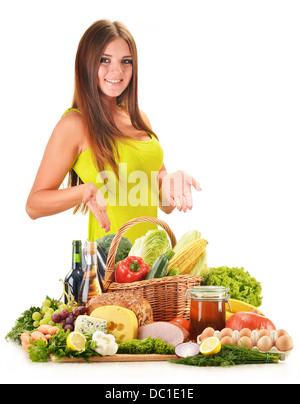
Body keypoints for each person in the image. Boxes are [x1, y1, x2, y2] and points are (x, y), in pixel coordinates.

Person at [26, 19, 201, 243]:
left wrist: (172, 181)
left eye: (125, 61)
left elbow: (164, 204)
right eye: (104, 60)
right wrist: (83, 191)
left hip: (151, 266)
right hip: (109, 267)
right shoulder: (75, 124)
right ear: (86, 64)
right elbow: (34, 205)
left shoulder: (138, 117)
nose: (117, 70)